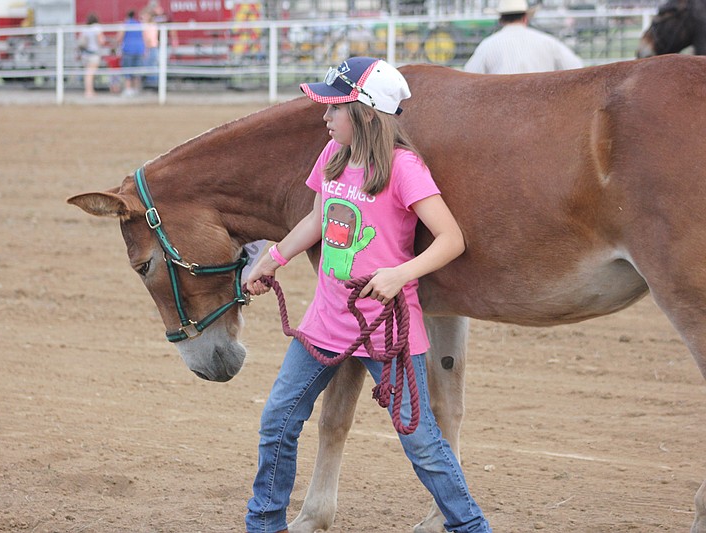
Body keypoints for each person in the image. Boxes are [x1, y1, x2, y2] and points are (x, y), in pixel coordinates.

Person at [243, 56, 492, 533]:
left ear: (364, 112)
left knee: (421, 441)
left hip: (387, 330)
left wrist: (400, 275)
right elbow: (318, 218)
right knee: (278, 421)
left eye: (334, 108)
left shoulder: (404, 168)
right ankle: (264, 524)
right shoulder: (332, 157)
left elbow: (451, 239)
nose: (325, 117)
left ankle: (472, 527)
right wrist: (273, 257)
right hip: (325, 322)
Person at [464, 0, 583, 74]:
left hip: (503, 109)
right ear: (525, 18)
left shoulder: (487, 45)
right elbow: (576, 67)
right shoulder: (548, 42)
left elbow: (469, 76)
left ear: (501, 20)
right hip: (543, 108)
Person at [115, 9, 145, 96]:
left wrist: (115, 45)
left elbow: (119, 38)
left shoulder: (125, 24)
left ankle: (128, 89)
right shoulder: (139, 24)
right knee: (136, 71)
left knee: (127, 70)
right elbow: (144, 37)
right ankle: (136, 90)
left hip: (128, 50)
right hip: (139, 50)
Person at [78, 13, 106, 98]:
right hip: (94, 54)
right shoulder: (97, 28)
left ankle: (89, 91)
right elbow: (101, 41)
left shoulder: (84, 29)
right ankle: (89, 92)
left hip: (85, 54)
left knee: (88, 73)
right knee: (90, 74)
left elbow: (80, 42)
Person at [140, 8, 160, 87]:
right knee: (152, 67)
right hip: (153, 47)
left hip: (149, 48)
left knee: (150, 67)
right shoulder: (154, 25)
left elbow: (148, 39)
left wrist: (145, 49)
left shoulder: (147, 26)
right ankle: (153, 85)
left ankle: (151, 85)